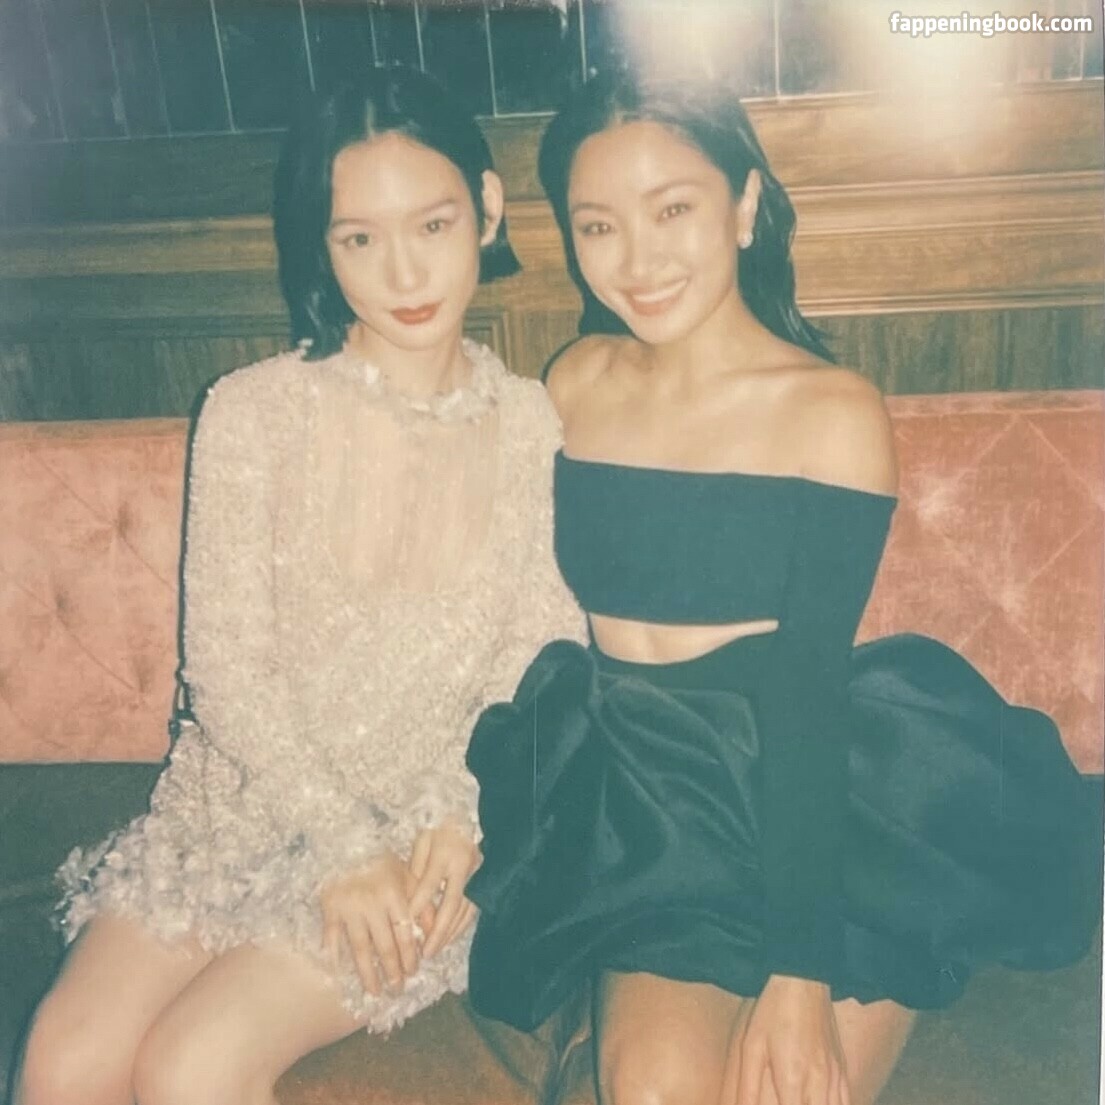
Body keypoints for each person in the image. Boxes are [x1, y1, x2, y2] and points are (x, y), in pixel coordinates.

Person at [463, 71, 1102, 1105]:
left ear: (745, 203)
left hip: (814, 792)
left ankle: (870, 952)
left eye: (672, 208)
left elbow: (805, 689)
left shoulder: (831, 413)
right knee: (654, 1093)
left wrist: (799, 973)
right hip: (646, 806)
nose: (637, 259)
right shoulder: (573, 383)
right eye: (598, 225)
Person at [14, 66, 584, 1105]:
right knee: (65, 1062)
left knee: (192, 1067)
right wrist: (337, 843)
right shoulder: (253, 412)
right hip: (232, 812)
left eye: (433, 224)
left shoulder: (533, 425)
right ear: (321, 246)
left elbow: (533, 661)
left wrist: (455, 820)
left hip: (423, 835)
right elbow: (226, 668)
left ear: (487, 208)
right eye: (358, 237)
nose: (402, 270)